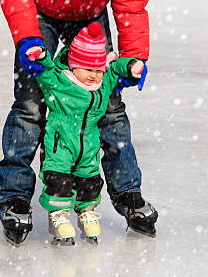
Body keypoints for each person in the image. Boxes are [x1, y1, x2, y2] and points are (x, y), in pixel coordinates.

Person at [0, 0, 158, 245]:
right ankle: (14, 197)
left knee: (108, 106)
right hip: (42, 15)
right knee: (30, 106)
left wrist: (134, 57)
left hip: (91, 23)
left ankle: (128, 193)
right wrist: (28, 35)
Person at [24, 22, 146, 244]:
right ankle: (58, 216)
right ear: (74, 66)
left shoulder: (102, 84)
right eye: (88, 69)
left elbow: (116, 68)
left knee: (89, 180)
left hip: (88, 143)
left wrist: (132, 67)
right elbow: (47, 70)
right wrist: (39, 57)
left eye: (98, 70)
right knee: (58, 179)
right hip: (61, 142)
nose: (94, 76)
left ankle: (86, 212)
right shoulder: (61, 82)